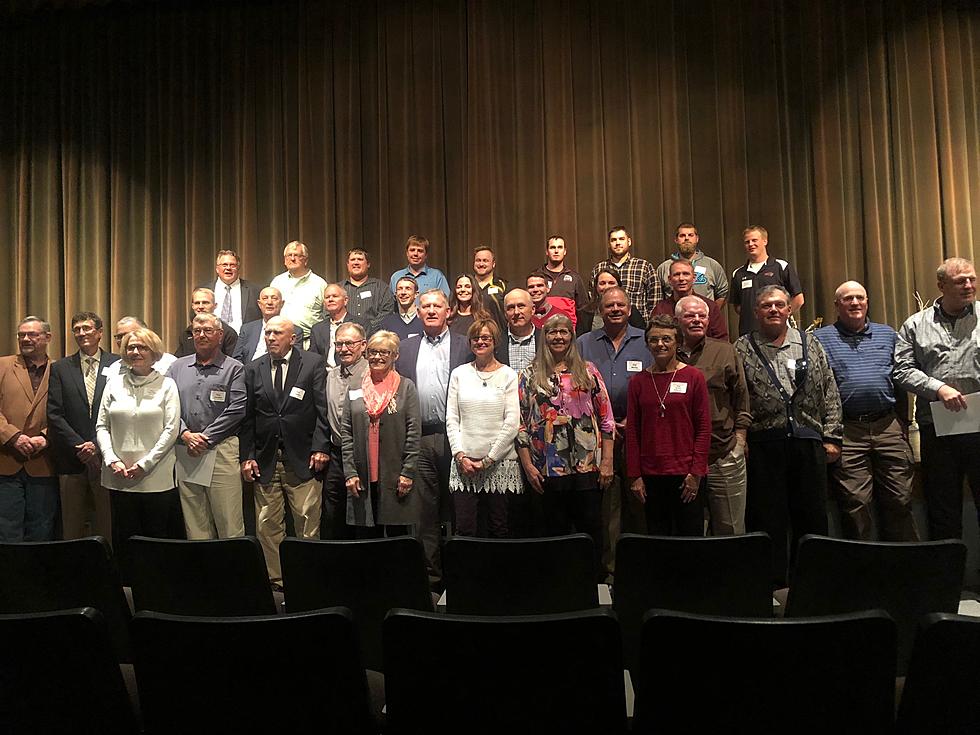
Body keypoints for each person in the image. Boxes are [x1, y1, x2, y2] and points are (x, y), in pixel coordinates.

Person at [735, 286, 842, 586]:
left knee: (812, 516)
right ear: (756, 312)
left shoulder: (811, 344)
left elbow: (830, 391)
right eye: (766, 306)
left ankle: (812, 583)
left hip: (808, 442)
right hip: (764, 444)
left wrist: (832, 436)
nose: (773, 310)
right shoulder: (742, 347)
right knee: (767, 518)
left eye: (779, 305)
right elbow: (737, 396)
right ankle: (772, 584)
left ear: (789, 309)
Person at [815, 281, 918, 541]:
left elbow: (901, 380)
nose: (855, 303)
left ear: (867, 301)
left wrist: (904, 422)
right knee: (855, 503)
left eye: (860, 297)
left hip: (888, 425)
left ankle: (902, 567)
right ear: (837, 305)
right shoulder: (820, 339)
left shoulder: (888, 334)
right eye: (848, 298)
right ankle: (863, 571)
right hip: (847, 430)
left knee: (900, 497)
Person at [517, 313, 615, 579]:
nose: (558, 337)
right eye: (552, 332)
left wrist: (607, 461)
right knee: (553, 531)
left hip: (587, 465)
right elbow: (521, 424)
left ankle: (593, 582)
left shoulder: (589, 370)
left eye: (563, 331)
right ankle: (558, 583)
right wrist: (527, 465)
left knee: (591, 528)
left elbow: (606, 420)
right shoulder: (529, 374)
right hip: (548, 467)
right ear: (544, 336)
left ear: (571, 336)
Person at [240, 316, 330, 587]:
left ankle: (306, 577)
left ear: (293, 338)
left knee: (306, 521)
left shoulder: (312, 363)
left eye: (277, 333)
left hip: (303, 457)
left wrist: (321, 446)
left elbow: (323, 410)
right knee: (267, 524)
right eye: (267, 333)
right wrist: (247, 457)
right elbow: (248, 418)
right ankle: (276, 580)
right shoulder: (254, 368)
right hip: (266, 458)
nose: (270, 337)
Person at [894, 258, 980, 541]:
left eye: (972, 278)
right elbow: (901, 369)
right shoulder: (916, 325)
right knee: (943, 512)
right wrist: (937, 388)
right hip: (938, 429)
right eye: (960, 281)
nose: (969, 285)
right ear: (941, 286)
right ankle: (949, 583)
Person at [395, 289, 473, 587]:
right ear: (417, 312)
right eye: (425, 306)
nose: (430, 310)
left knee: (459, 508)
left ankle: (460, 576)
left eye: (436, 306)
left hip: (459, 438)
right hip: (421, 438)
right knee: (424, 511)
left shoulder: (465, 345)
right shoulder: (406, 347)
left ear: (448, 311)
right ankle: (432, 578)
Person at [96, 327, 182, 577]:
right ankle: (128, 593)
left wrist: (145, 464)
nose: (135, 352)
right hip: (119, 475)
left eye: (142, 347)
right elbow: (102, 425)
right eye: (131, 347)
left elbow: (171, 429)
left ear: (153, 351)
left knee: (155, 539)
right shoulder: (113, 384)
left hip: (155, 476)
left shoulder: (168, 385)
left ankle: (156, 589)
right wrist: (111, 460)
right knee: (124, 539)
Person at [577, 287, 651, 575]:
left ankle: (641, 568)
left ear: (630, 309)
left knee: (640, 503)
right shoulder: (584, 343)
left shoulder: (645, 341)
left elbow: (655, 383)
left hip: (639, 433)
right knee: (606, 508)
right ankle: (609, 571)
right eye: (609, 306)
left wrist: (633, 419)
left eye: (621, 305)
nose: (615, 309)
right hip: (598, 437)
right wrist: (603, 423)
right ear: (600, 311)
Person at [627, 315, 711, 536]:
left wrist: (696, 472)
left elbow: (703, 428)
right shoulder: (638, 382)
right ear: (646, 344)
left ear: (678, 342)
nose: (660, 344)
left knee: (690, 539)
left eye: (666, 339)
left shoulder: (694, 377)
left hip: (687, 475)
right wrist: (635, 475)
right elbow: (633, 431)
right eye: (654, 340)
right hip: (651, 475)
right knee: (659, 539)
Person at [166, 313, 247, 539]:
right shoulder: (176, 368)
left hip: (221, 449)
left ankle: (234, 574)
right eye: (196, 331)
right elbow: (168, 407)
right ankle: (203, 573)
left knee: (229, 523)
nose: (201, 335)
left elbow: (237, 409)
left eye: (208, 330)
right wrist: (185, 434)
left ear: (220, 335)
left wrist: (206, 438)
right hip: (185, 450)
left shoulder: (235, 368)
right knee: (195, 524)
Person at [675, 296, 751, 535]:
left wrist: (739, 442)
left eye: (702, 316)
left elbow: (742, 398)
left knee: (729, 529)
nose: (697, 320)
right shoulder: (665, 353)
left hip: (722, 454)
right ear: (677, 321)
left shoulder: (725, 351)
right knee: (689, 530)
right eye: (690, 315)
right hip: (682, 460)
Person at [47, 311, 120, 541]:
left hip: (107, 458)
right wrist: (82, 446)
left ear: (99, 333)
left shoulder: (117, 364)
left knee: (107, 525)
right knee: (72, 527)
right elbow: (55, 413)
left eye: (87, 328)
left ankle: (107, 573)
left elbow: (120, 411)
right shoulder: (60, 368)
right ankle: (74, 575)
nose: (81, 333)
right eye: (77, 329)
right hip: (72, 458)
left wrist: (97, 446)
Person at [446, 319, 522, 537]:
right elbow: (452, 418)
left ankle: (497, 572)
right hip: (464, 465)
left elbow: (512, 421)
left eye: (485, 337)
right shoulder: (459, 373)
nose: (480, 342)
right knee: (465, 529)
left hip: (499, 464)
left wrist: (489, 459)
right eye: (476, 338)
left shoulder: (508, 374)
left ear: (495, 341)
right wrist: (460, 456)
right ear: (470, 343)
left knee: (499, 527)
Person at [342, 331, 422, 536]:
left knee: (398, 538)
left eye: (384, 352)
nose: (377, 357)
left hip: (395, 473)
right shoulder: (354, 386)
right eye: (373, 352)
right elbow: (347, 432)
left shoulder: (406, 387)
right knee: (368, 538)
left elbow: (414, 433)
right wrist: (350, 472)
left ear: (395, 355)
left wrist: (408, 472)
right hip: (363, 473)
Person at [0, 316, 58, 542]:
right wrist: (12, 436)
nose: (25, 339)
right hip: (5, 462)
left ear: (48, 337)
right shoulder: (3, 365)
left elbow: (65, 414)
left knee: (42, 528)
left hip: (43, 463)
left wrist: (46, 438)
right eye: (21, 334)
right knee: (6, 529)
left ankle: (37, 578)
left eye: (32, 334)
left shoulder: (61, 370)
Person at [323, 322, 368, 539]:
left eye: (349, 343)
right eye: (339, 344)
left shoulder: (372, 374)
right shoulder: (331, 376)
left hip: (363, 456)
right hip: (335, 453)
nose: (344, 349)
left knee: (362, 515)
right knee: (334, 513)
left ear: (363, 345)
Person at [730, 225, 804, 336]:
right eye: (747, 242)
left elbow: (798, 299)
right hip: (748, 334)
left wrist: (779, 315)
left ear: (765, 241)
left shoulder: (781, 267)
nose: (751, 244)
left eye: (754, 240)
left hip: (778, 333)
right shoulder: (738, 273)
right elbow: (738, 307)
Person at [590, 226, 661, 326]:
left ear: (629, 242)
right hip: (604, 326)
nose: (618, 243)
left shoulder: (644, 267)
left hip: (638, 326)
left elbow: (655, 301)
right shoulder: (599, 268)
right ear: (608, 244)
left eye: (621, 239)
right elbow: (593, 299)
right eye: (613, 240)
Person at [656, 223, 730, 307]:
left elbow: (722, 294)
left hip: (704, 318)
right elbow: (658, 298)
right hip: (673, 318)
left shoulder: (712, 265)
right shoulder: (664, 268)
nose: (686, 238)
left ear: (697, 239)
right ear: (676, 240)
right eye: (682, 235)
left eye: (690, 235)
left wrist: (710, 314)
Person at [653, 259, 728, 340]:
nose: (681, 278)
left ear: (694, 278)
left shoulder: (710, 306)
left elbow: (721, 340)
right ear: (670, 280)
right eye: (676, 274)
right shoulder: (660, 309)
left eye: (686, 274)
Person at [269, 240, 328, 343]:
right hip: (280, 341)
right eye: (289, 255)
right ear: (285, 260)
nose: (292, 258)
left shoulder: (319, 284)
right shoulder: (277, 282)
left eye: (297, 255)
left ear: (305, 260)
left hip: (309, 341)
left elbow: (328, 315)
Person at [233, 286, 304, 364]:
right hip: (249, 372)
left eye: (274, 298)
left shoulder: (295, 330)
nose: (269, 302)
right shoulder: (247, 329)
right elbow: (236, 358)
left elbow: (295, 360)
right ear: (259, 304)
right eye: (265, 298)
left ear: (282, 304)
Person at [201, 249, 262, 334]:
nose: (228, 268)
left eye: (232, 265)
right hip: (212, 341)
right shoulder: (204, 290)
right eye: (224, 265)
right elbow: (194, 316)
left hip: (244, 341)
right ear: (217, 269)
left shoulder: (255, 291)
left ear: (238, 268)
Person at [342, 248, 395, 336]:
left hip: (374, 338)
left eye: (360, 259)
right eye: (352, 260)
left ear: (368, 264)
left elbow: (387, 312)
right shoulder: (339, 288)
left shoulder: (381, 287)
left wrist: (367, 329)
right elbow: (329, 313)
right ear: (348, 264)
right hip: (345, 339)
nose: (356, 262)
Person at [174, 288, 239, 358]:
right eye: (197, 303)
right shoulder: (186, 334)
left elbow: (232, 363)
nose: (201, 306)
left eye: (205, 303)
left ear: (215, 305)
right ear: (192, 306)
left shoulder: (228, 333)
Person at [580, 267, 646, 335]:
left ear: (619, 286)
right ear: (596, 287)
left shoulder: (632, 311)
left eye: (611, 283)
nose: (607, 287)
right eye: (602, 283)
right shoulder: (585, 312)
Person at [542, 234, 589, 325]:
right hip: (542, 331)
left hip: (568, 332)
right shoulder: (537, 277)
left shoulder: (575, 278)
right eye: (552, 247)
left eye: (560, 247)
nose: (556, 251)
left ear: (565, 251)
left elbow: (583, 310)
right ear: (547, 252)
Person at [106, 317, 178, 377]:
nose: (123, 340)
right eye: (119, 336)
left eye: (128, 334)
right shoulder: (114, 368)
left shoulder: (169, 363)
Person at [495, 288, 540, 373]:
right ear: (505, 313)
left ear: (533, 309)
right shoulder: (496, 342)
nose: (516, 312)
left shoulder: (545, 339)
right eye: (511, 308)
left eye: (521, 306)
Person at [308, 283, 353, 367]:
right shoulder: (317, 329)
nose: (330, 299)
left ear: (345, 300)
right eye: (327, 297)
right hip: (323, 375)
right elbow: (313, 357)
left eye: (335, 296)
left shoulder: (359, 324)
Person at [379, 275, 423, 342]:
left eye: (408, 288)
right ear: (396, 294)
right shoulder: (387, 323)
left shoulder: (424, 321)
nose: (403, 292)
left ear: (416, 294)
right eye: (400, 289)